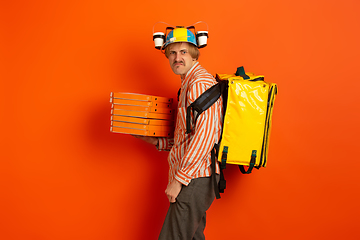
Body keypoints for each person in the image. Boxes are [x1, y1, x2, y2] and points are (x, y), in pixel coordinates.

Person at [135, 26, 223, 240]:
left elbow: (206, 135)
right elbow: (189, 135)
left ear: (194, 53)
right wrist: (157, 142)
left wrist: (179, 180)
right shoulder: (187, 84)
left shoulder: (199, 82)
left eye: (183, 52)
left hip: (194, 177)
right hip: (193, 177)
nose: (178, 58)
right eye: (173, 52)